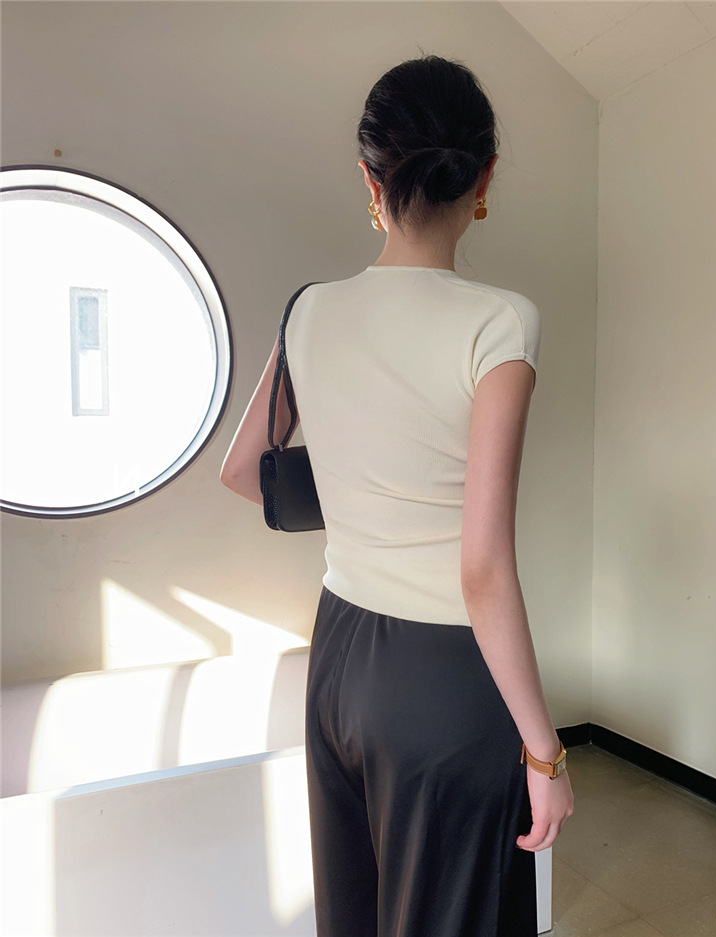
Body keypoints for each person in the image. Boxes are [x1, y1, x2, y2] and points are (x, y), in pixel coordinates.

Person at [220, 53, 574, 937]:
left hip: (338, 651)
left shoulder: (308, 309)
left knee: (355, 913)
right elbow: (482, 568)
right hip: (443, 678)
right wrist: (545, 752)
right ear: (483, 178)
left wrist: (364, 499)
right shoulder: (500, 321)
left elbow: (243, 471)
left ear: (369, 178)